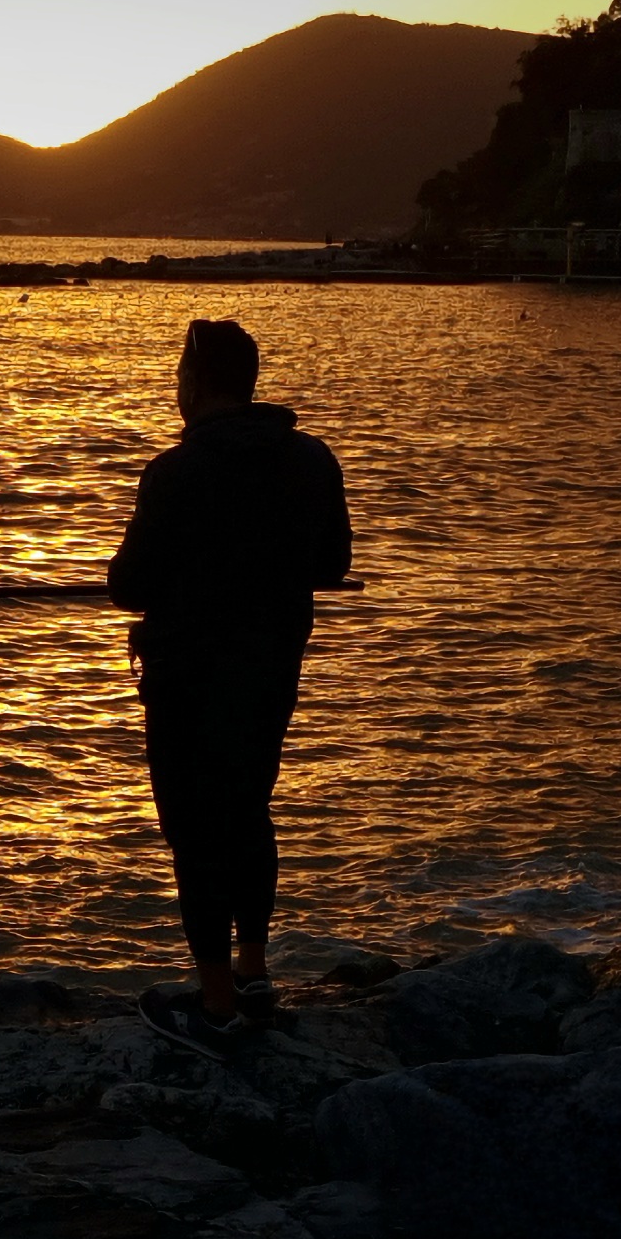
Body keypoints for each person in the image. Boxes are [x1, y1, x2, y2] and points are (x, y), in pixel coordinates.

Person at [108, 319, 351, 1056]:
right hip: (274, 666)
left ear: (199, 384)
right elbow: (334, 565)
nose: (175, 388)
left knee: (195, 830)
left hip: (186, 676)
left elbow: (130, 584)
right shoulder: (312, 459)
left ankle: (214, 1009)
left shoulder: (176, 470)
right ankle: (253, 975)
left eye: (180, 375)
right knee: (249, 813)